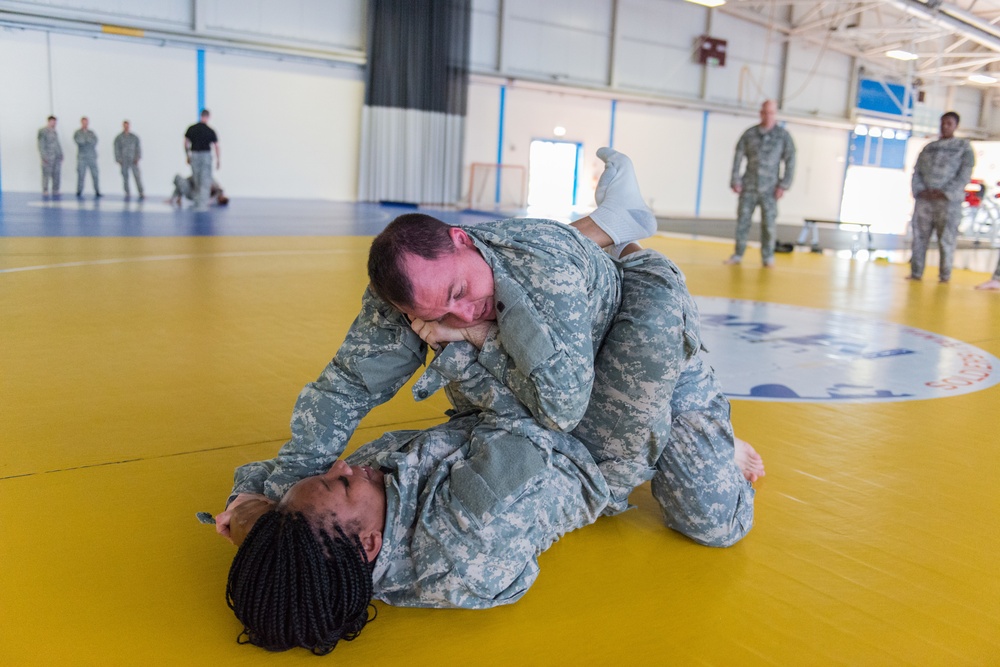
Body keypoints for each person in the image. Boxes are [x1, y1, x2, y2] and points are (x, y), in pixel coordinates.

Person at [222, 341, 613, 653]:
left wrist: (243, 507)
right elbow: (534, 423)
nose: (339, 465)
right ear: (370, 542)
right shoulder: (465, 535)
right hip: (585, 442)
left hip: (485, 423)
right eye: (338, 482)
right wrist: (459, 349)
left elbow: (271, 478)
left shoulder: (326, 531)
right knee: (650, 299)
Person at [726, 99, 796, 267]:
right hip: (748, 187)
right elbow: (738, 157)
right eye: (765, 112)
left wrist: (784, 185)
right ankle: (738, 254)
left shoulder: (783, 136)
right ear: (760, 113)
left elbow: (791, 160)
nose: (768, 116)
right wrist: (735, 180)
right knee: (743, 222)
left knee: (769, 225)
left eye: (771, 112)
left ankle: (768, 257)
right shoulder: (749, 134)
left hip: (770, 190)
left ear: (775, 113)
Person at [908, 111, 976, 283]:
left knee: (946, 239)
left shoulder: (963, 148)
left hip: (948, 203)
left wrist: (945, 192)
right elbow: (917, 172)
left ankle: (944, 276)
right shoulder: (929, 147)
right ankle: (916, 272)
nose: (944, 126)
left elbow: (964, 174)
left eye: (949, 123)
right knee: (919, 237)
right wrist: (920, 190)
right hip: (924, 200)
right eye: (942, 123)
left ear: (955, 126)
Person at [184, 109, 220, 211]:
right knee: (205, 180)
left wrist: (187, 155)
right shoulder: (210, 130)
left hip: (195, 154)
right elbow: (216, 146)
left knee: (196, 179)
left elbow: (186, 143)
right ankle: (202, 204)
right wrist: (218, 160)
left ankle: (197, 202)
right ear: (208, 117)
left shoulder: (192, 129)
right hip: (205, 156)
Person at [113, 120, 143, 200]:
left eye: (127, 125)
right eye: (124, 125)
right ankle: (127, 193)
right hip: (124, 160)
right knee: (125, 177)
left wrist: (138, 157)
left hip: (133, 160)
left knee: (137, 176)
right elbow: (116, 149)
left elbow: (138, 148)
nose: (126, 127)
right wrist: (118, 159)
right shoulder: (119, 138)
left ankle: (141, 192)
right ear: (123, 126)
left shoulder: (134, 137)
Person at [73, 116, 100, 198]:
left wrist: (86, 140)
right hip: (82, 157)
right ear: (81, 122)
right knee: (81, 175)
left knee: (95, 175)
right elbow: (79, 141)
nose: (85, 124)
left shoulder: (91, 132)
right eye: (83, 122)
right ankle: (79, 191)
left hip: (92, 156)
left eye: (86, 122)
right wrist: (87, 140)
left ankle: (97, 191)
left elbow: (94, 141)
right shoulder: (77, 133)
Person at [37, 115, 63, 197]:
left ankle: (55, 190)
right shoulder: (43, 131)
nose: (54, 123)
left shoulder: (54, 131)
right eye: (52, 121)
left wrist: (60, 154)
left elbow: (57, 144)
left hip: (56, 157)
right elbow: (41, 145)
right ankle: (45, 190)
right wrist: (44, 156)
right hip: (48, 157)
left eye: (55, 122)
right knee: (46, 174)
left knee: (56, 174)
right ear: (49, 121)